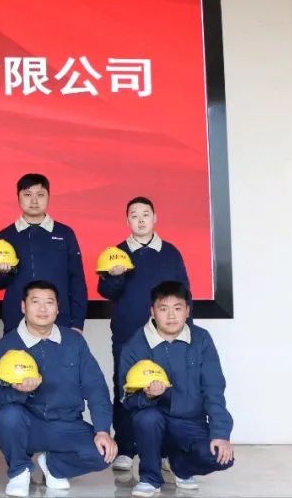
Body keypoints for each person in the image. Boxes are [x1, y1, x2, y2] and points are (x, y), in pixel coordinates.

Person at [0, 280, 116, 497]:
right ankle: (19, 471)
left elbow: (96, 387)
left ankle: (54, 466)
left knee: (104, 453)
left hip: (66, 424)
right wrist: (20, 391)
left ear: (58, 308)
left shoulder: (74, 341)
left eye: (49, 302)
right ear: (23, 306)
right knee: (7, 416)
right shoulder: (7, 344)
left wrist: (103, 430)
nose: (42, 309)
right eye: (35, 302)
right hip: (29, 425)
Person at [98, 196, 190, 469]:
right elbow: (106, 292)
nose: (140, 220)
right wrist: (115, 276)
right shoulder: (117, 252)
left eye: (145, 215)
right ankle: (126, 448)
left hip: (165, 335)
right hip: (128, 334)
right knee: (126, 387)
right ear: (127, 221)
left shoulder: (170, 252)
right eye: (134, 216)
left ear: (155, 218)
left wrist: (184, 328)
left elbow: (184, 294)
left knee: (166, 388)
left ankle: (165, 450)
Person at [119, 281, 233, 498]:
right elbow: (126, 398)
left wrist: (220, 433)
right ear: (152, 311)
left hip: (190, 423)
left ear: (187, 310)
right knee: (146, 418)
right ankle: (150, 478)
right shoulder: (135, 345)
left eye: (178, 308)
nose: (171, 316)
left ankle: (179, 466)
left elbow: (214, 389)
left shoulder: (201, 339)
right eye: (163, 309)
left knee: (221, 457)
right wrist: (148, 396)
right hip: (154, 424)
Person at [0, 173, 87, 334]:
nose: (34, 201)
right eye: (27, 195)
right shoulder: (6, 236)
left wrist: (78, 322)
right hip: (16, 321)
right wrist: (1, 273)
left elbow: (77, 280)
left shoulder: (65, 233)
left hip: (60, 321)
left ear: (48, 197)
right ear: (18, 197)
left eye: (40, 195)